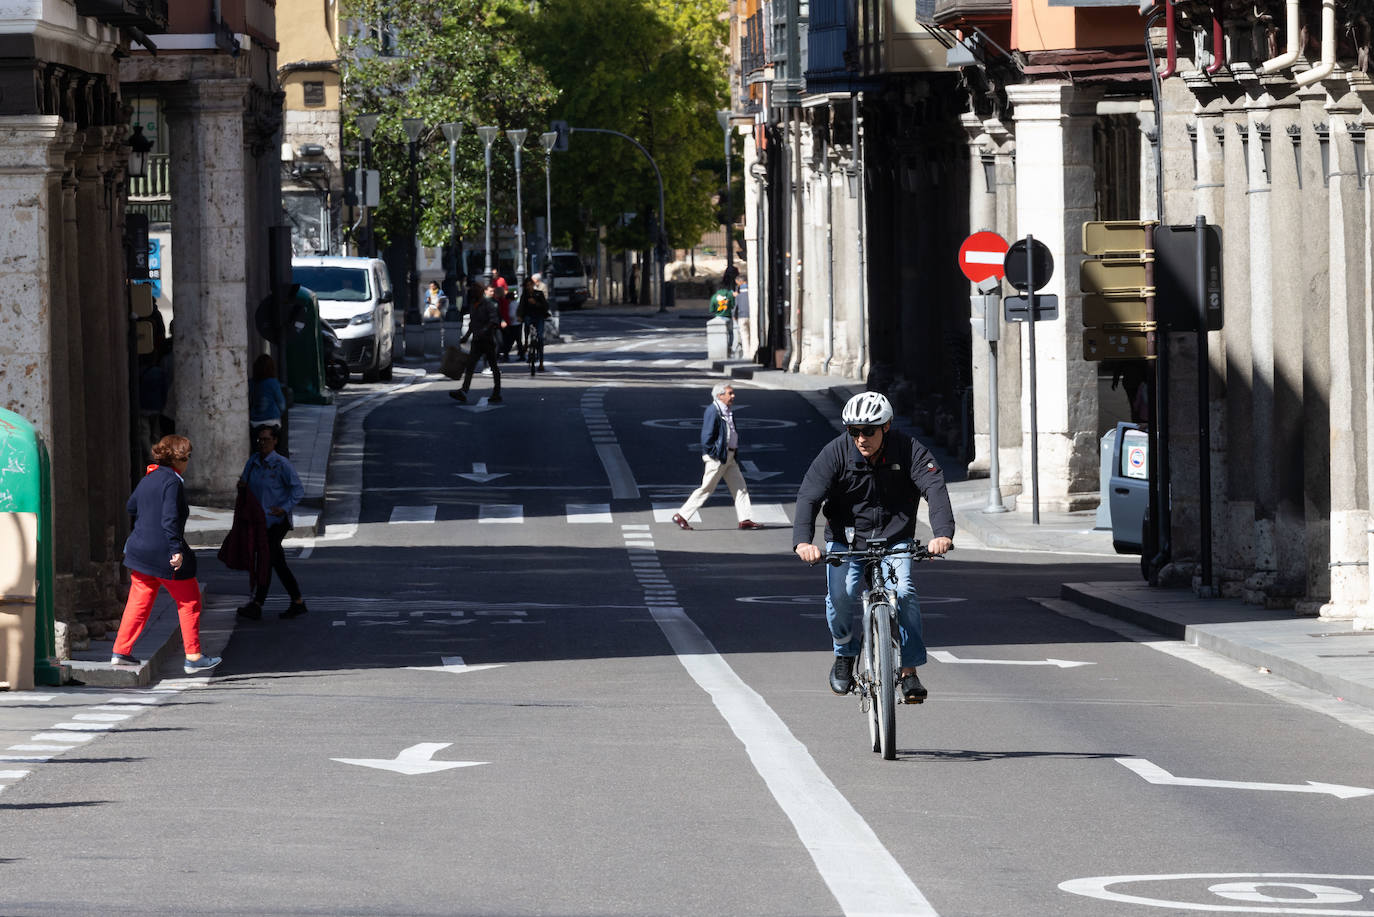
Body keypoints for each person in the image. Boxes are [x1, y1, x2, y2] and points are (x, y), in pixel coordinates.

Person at [792, 392, 954, 703]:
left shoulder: (908, 450)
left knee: (904, 592)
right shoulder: (836, 453)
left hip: (895, 539)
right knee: (839, 595)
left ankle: (909, 672)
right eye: (854, 431)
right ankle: (844, 652)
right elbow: (809, 496)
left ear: (887, 426)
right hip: (847, 540)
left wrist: (942, 534)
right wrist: (802, 541)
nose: (861, 438)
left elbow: (934, 488)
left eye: (869, 431)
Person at [110, 434, 222, 675]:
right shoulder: (173, 481)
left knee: (139, 601)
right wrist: (176, 550)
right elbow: (170, 518)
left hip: (140, 551)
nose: (188, 462)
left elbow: (131, 506)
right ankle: (193, 656)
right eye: (187, 457)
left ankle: (121, 651)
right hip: (163, 552)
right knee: (190, 599)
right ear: (180, 459)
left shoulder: (149, 478)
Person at [235, 425, 307, 620]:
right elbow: (244, 483)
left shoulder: (281, 464)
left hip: (276, 521)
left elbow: (298, 490)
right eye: (260, 440)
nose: (262, 443)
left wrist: (284, 507)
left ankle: (258, 604)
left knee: (268, 560)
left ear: (275, 441)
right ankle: (296, 601)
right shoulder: (253, 462)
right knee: (273, 562)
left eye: (266, 439)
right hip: (258, 521)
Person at [671, 383, 760, 531]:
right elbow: (706, 437)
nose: (733, 396)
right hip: (719, 457)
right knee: (706, 488)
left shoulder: (726, 410)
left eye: (732, 393)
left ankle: (745, 519)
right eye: (730, 393)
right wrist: (715, 454)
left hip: (729, 457)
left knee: (740, 487)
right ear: (720, 395)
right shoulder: (714, 411)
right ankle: (682, 515)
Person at [451, 280, 503, 404]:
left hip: (487, 341)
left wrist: (485, 330)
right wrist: (466, 336)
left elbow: (494, 321)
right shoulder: (473, 304)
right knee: (470, 366)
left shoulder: (488, 304)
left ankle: (497, 392)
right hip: (476, 341)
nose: (473, 293)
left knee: (494, 366)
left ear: (480, 292)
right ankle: (464, 391)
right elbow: (472, 324)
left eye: (475, 290)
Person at [249, 353, 286, 451]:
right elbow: (282, 405)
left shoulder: (251, 383)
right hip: (272, 421)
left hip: (254, 422)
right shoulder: (273, 383)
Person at [516, 274, 551, 372]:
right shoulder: (524, 296)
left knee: (540, 338)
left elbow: (546, 306)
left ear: (532, 285)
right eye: (526, 286)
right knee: (526, 322)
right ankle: (526, 342)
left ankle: (541, 363)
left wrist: (535, 303)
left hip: (539, 317)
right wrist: (519, 316)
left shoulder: (539, 294)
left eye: (529, 285)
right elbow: (521, 307)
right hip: (529, 317)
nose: (528, 287)